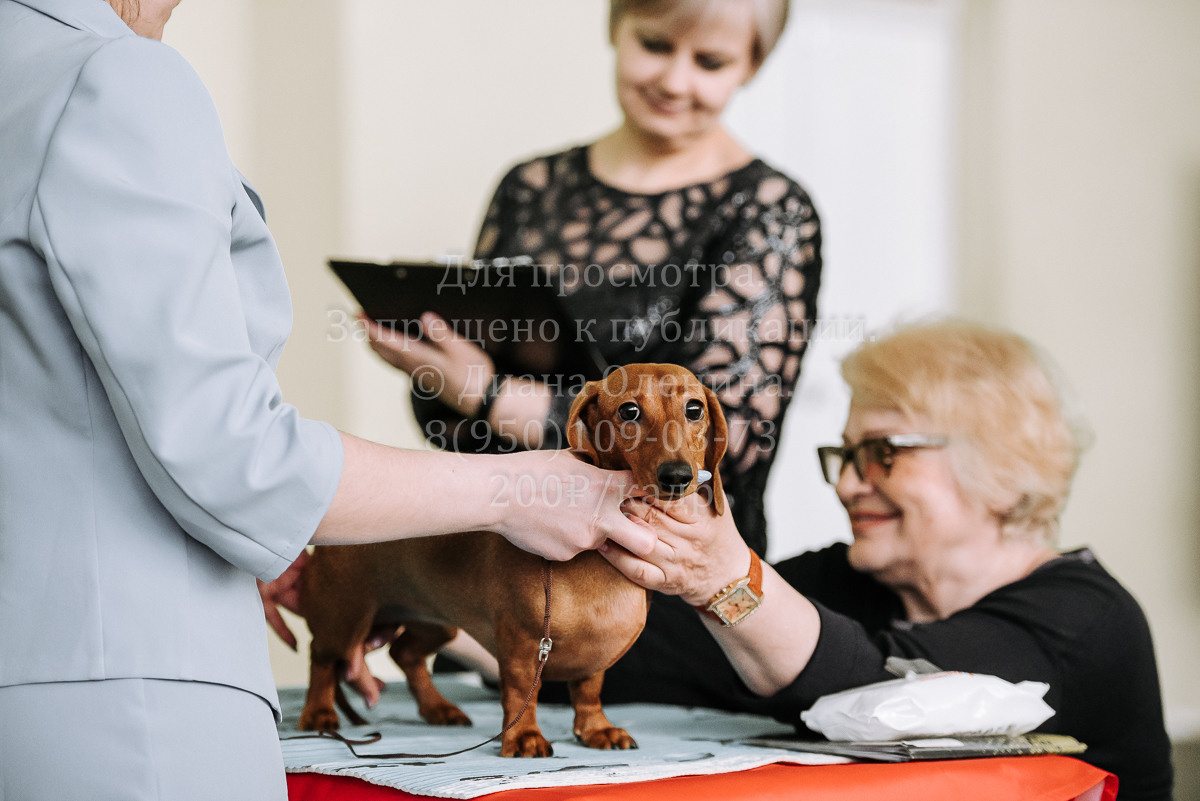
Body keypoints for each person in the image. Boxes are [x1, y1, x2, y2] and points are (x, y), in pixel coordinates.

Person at [0, 2, 655, 799]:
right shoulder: (114, 77)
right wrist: (518, 489)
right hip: (124, 709)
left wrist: (243, 543)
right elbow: (235, 455)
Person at [600, 320, 1173, 801]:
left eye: (883, 452)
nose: (848, 484)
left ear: (1002, 465)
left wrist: (721, 577)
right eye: (846, 455)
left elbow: (888, 697)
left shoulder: (1087, 620)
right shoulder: (852, 577)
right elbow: (647, 649)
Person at [364, 0, 822, 559]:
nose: (675, 81)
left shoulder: (770, 211)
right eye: (655, 45)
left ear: (751, 65)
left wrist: (487, 395)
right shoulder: (530, 187)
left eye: (709, 62)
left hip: (663, 575)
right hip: (500, 565)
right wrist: (434, 362)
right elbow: (462, 426)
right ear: (616, 29)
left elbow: (730, 441)